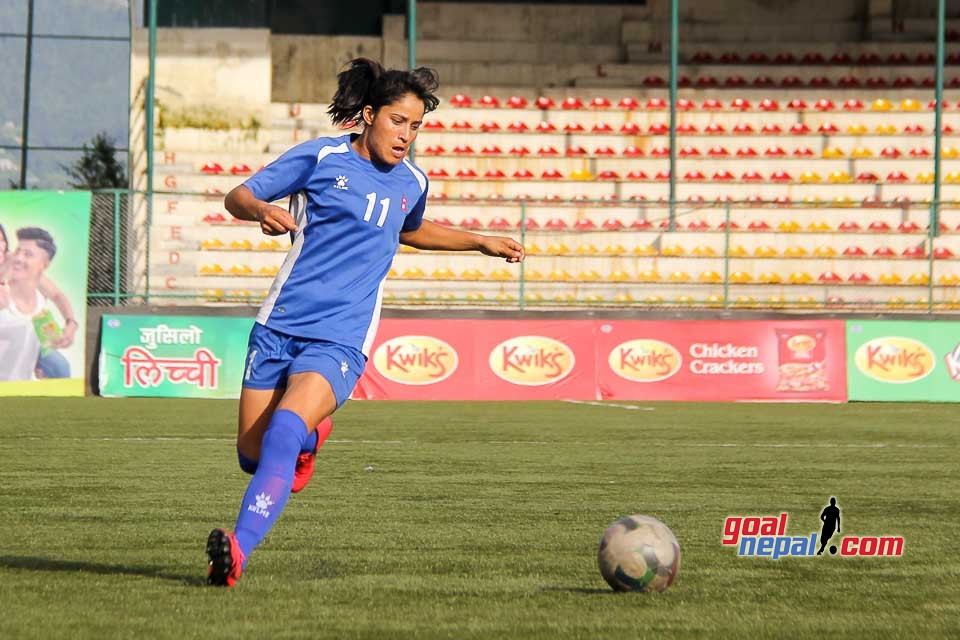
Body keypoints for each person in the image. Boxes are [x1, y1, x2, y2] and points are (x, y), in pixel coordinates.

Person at [207, 58, 524, 587]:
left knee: (284, 429)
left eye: (417, 126)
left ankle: (236, 552)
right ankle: (311, 441)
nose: (407, 136)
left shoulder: (413, 182)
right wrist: (259, 209)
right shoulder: (320, 156)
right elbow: (237, 195)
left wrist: (480, 240)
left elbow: (410, 229)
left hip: (341, 336)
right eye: (399, 121)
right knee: (253, 455)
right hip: (278, 325)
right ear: (369, 114)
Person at [0, 223, 78, 378]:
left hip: (30, 333)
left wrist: (71, 323)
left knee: (60, 366)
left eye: (1, 239)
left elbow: (57, 295)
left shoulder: (17, 265)